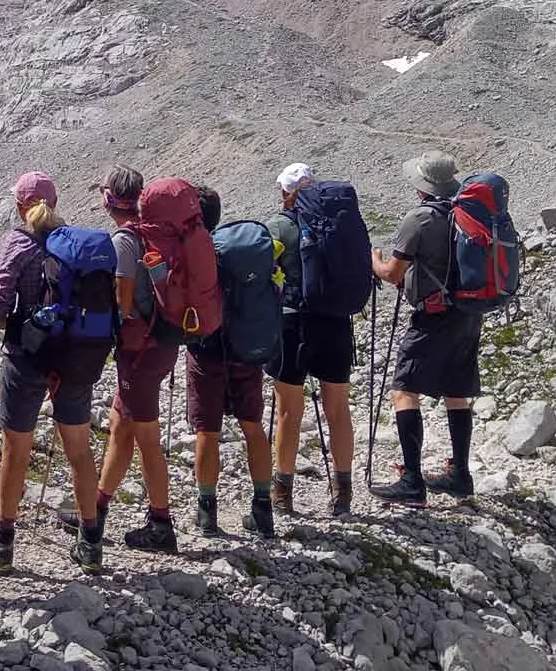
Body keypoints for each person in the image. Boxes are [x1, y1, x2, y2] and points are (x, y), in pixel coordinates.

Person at [0, 172, 118, 574]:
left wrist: (14, 324)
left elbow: (0, 304)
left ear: (20, 205)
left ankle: (3, 545)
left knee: (16, 449)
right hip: (76, 358)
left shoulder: (20, 243)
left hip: (28, 359)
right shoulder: (75, 245)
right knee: (79, 450)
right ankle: (90, 544)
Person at [370, 152, 484, 507]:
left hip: (432, 317)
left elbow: (393, 274)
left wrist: (373, 260)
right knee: (456, 390)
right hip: (468, 313)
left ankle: (412, 480)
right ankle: (460, 474)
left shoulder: (420, 218)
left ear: (422, 186)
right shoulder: (467, 214)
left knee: (404, 390)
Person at [83, 166, 181, 552]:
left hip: (138, 349)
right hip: (160, 342)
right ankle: (96, 507)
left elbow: (123, 297)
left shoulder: (125, 238)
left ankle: (161, 523)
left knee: (146, 438)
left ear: (110, 198)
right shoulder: (153, 231)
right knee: (120, 424)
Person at [264, 163, 361, 518]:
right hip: (336, 322)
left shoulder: (281, 225)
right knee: (338, 408)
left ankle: (282, 493)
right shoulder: (337, 226)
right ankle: (342, 492)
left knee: (289, 409)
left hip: (294, 324)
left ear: (287, 193)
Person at [186, 188, 275, 537]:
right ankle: (263, 510)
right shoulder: (238, 252)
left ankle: (207, 513)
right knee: (252, 425)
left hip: (207, 351)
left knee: (207, 431)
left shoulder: (200, 253)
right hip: (245, 348)